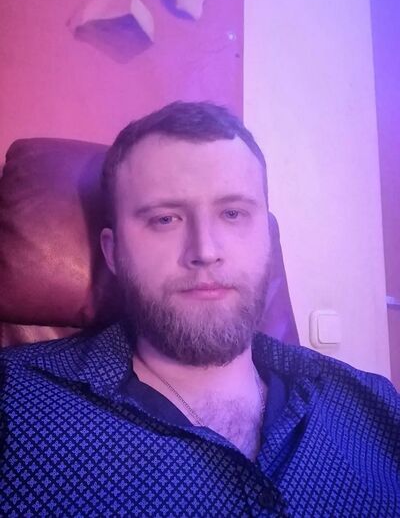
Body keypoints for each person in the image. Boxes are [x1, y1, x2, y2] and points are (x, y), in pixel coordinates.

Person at [1, 101, 399, 517]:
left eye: (233, 213)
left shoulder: (374, 404)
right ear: (113, 252)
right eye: (165, 219)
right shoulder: (15, 400)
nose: (205, 251)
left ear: (268, 237)